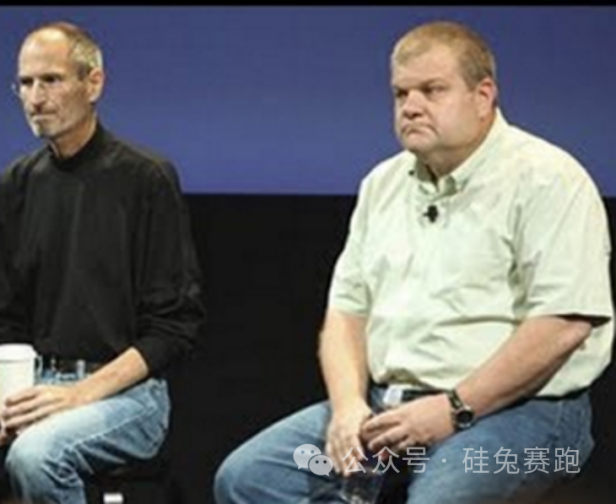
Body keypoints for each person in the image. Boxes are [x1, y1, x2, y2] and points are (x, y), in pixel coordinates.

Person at [214, 20, 612, 504]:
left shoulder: (549, 179)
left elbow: (562, 325)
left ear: (483, 96)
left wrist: (454, 408)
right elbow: (346, 313)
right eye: (401, 93)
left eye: (432, 90)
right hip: (389, 410)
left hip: (521, 415)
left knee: (441, 495)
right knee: (250, 478)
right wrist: (347, 407)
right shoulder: (382, 184)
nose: (411, 106)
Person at [0, 21, 205, 504]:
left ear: (93, 83)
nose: (35, 97)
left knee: (35, 455)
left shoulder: (145, 178)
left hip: (128, 397)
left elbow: (174, 327)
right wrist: (3, 395)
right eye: (26, 83)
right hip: (36, 387)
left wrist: (79, 395)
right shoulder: (16, 183)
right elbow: (1, 319)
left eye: (51, 80)